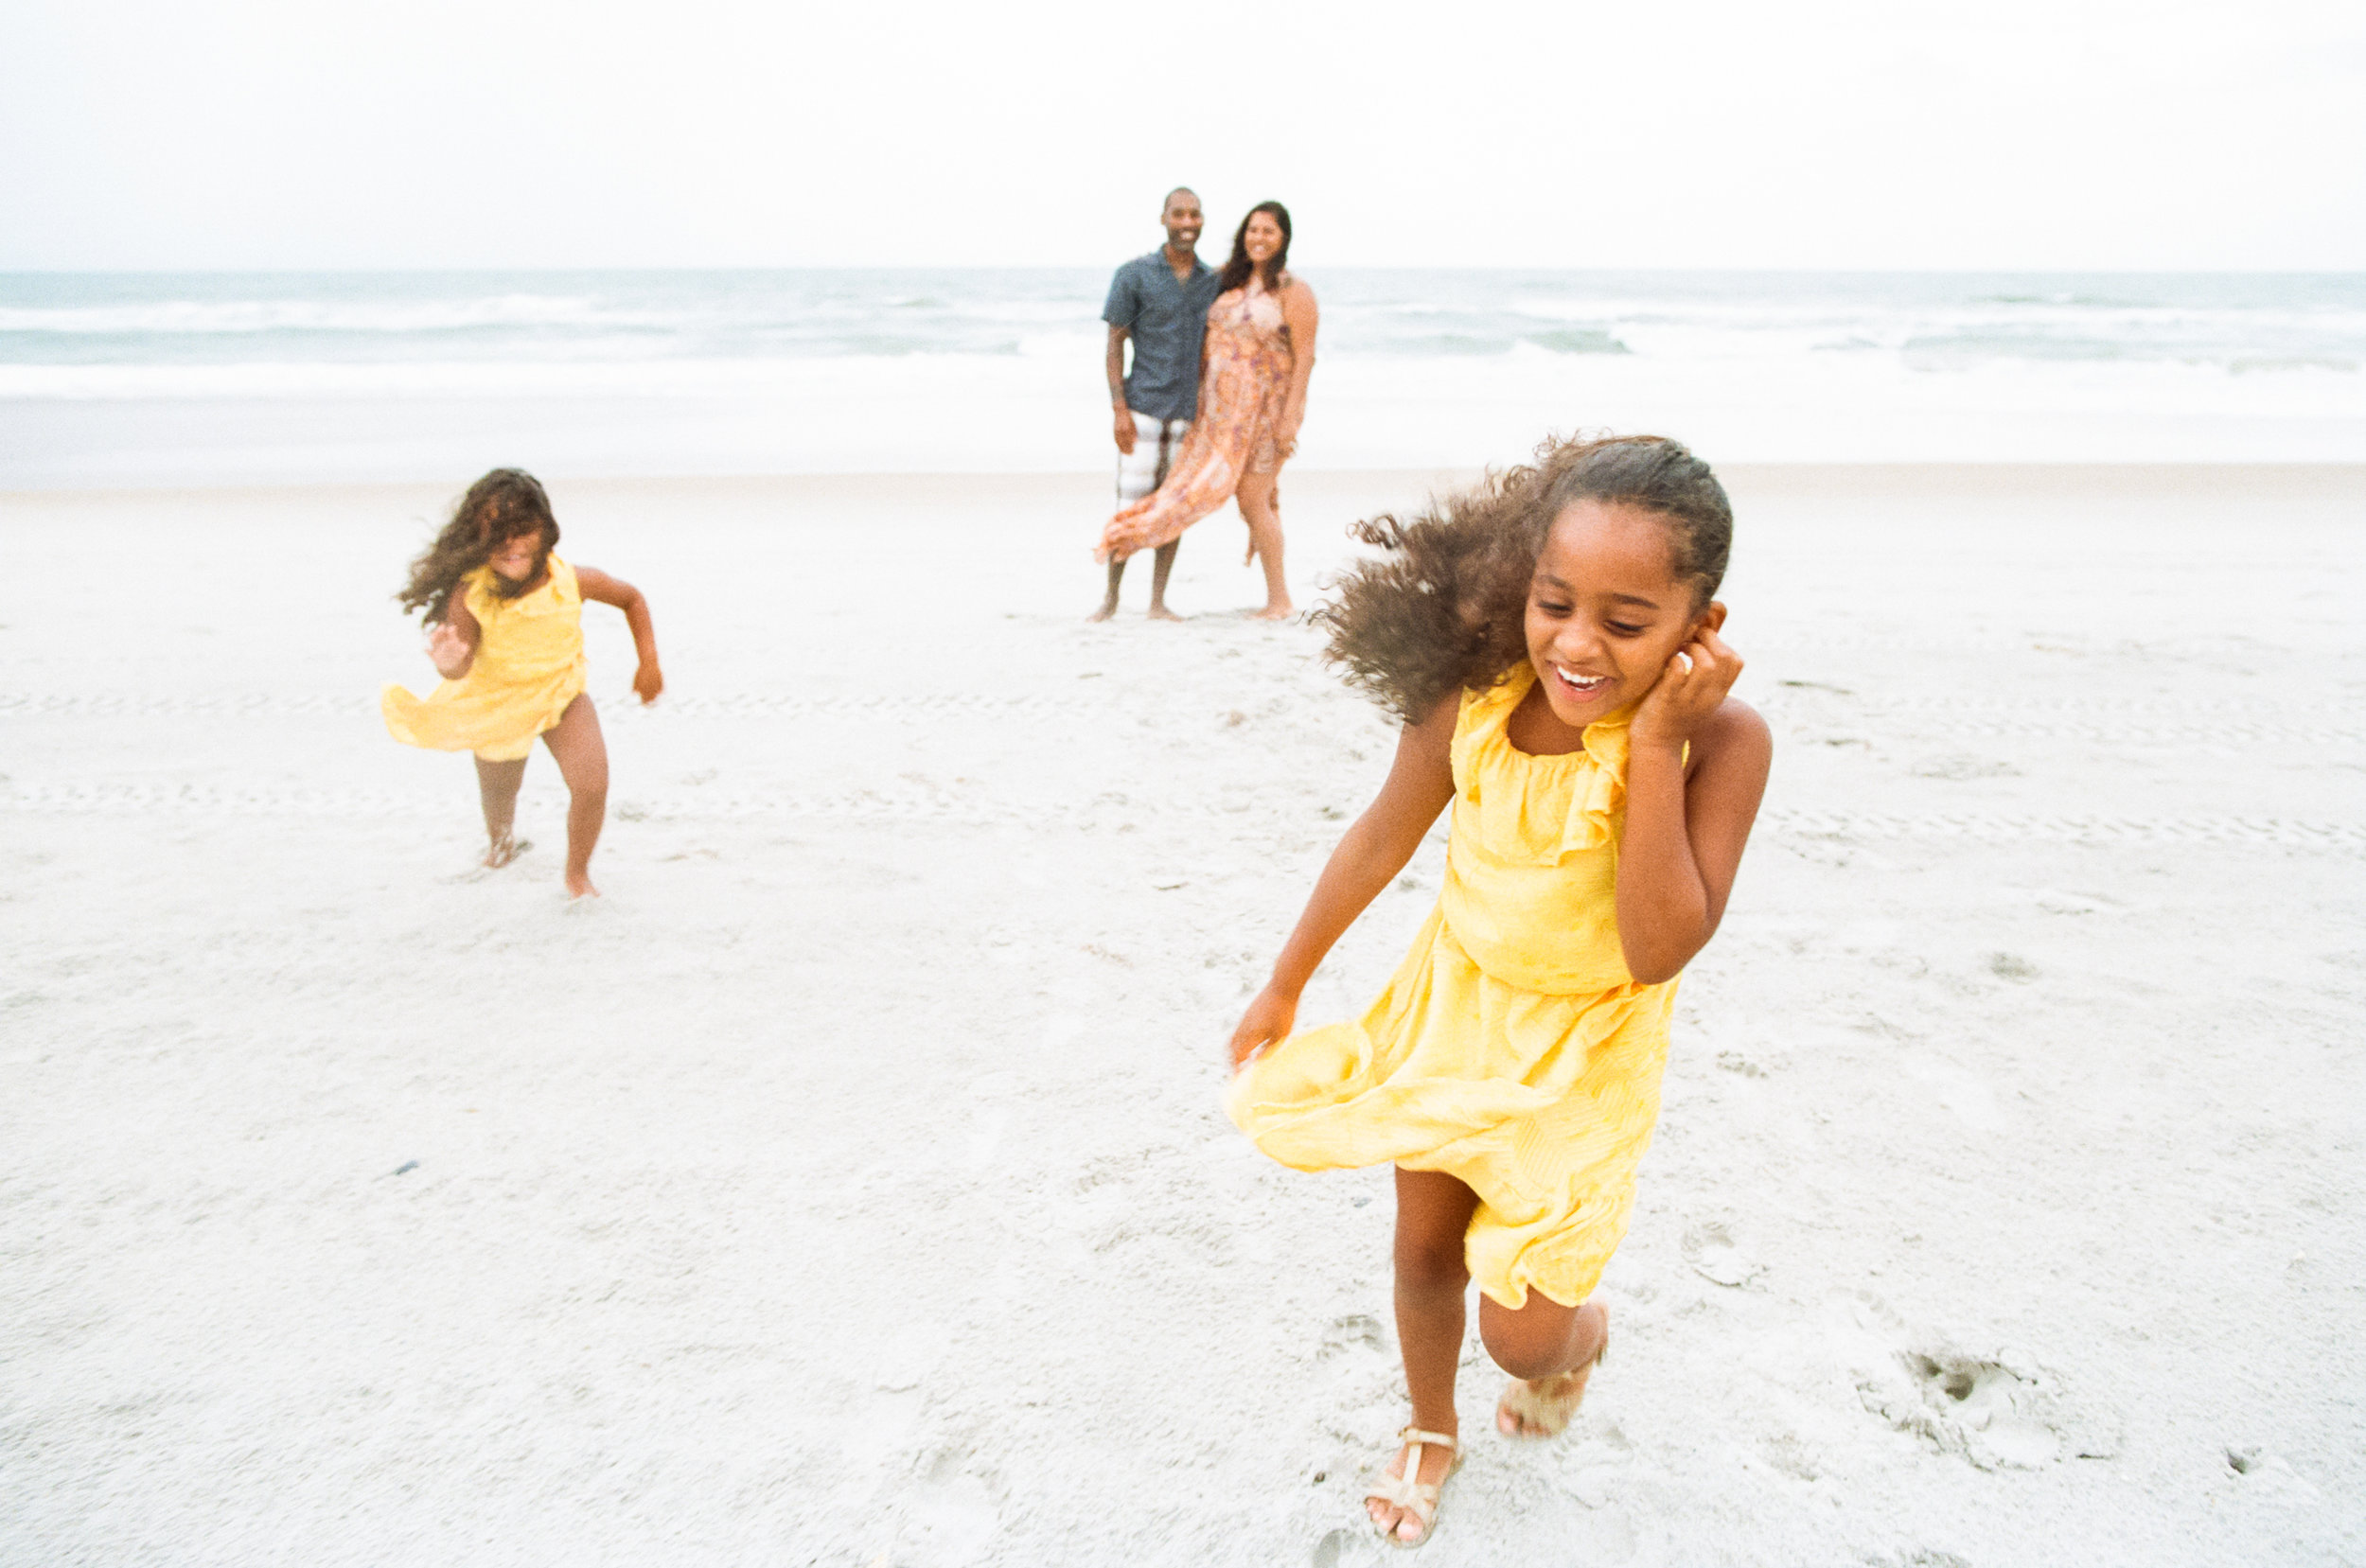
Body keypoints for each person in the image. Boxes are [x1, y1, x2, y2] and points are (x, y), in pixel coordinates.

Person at [1224, 435, 1772, 1545]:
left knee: (1524, 1336)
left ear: (1697, 626)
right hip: (1456, 1006)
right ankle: (1431, 1426)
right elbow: (1381, 836)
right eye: (1553, 602)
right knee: (1423, 1252)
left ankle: (1583, 1337)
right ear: (1521, 582)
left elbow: (1658, 945)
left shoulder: (1723, 740)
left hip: (1586, 1052)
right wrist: (1286, 981)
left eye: (1625, 624)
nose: (1576, 644)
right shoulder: (1474, 697)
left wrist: (1657, 741)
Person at [381, 468, 662, 899]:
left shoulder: (572, 579)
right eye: (497, 534)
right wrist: (450, 663)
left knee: (592, 785)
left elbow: (632, 599)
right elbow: (461, 668)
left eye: (523, 531)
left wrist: (649, 663)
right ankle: (501, 846)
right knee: (500, 793)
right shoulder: (471, 595)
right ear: (478, 539)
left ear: (546, 531)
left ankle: (577, 875)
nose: (511, 545)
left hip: (561, 694)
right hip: (498, 704)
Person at [1096, 201, 1317, 621]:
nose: (1259, 238)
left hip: (1266, 415)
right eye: (1253, 230)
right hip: (1214, 416)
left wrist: (1291, 417)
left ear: (1284, 238)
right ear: (1242, 234)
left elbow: (1305, 358)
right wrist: (1123, 405)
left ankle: (1279, 600)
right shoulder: (1223, 283)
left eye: (1269, 231)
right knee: (1186, 495)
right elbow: (1157, 335)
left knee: (1252, 500)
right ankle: (1116, 590)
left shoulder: (1294, 290)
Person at [1092, 186, 1223, 622]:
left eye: (1195, 215)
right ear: (1164, 219)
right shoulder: (1134, 275)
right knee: (1129, 507)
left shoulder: (1213, 282)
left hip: (1190, 414)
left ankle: (1157, 601)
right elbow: (1114, 345)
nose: (1187, 223)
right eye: (1179, 214)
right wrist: (1119, 410)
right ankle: (1110, 600)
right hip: (1143, 408)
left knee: (1173, 509)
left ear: (1202, 221)